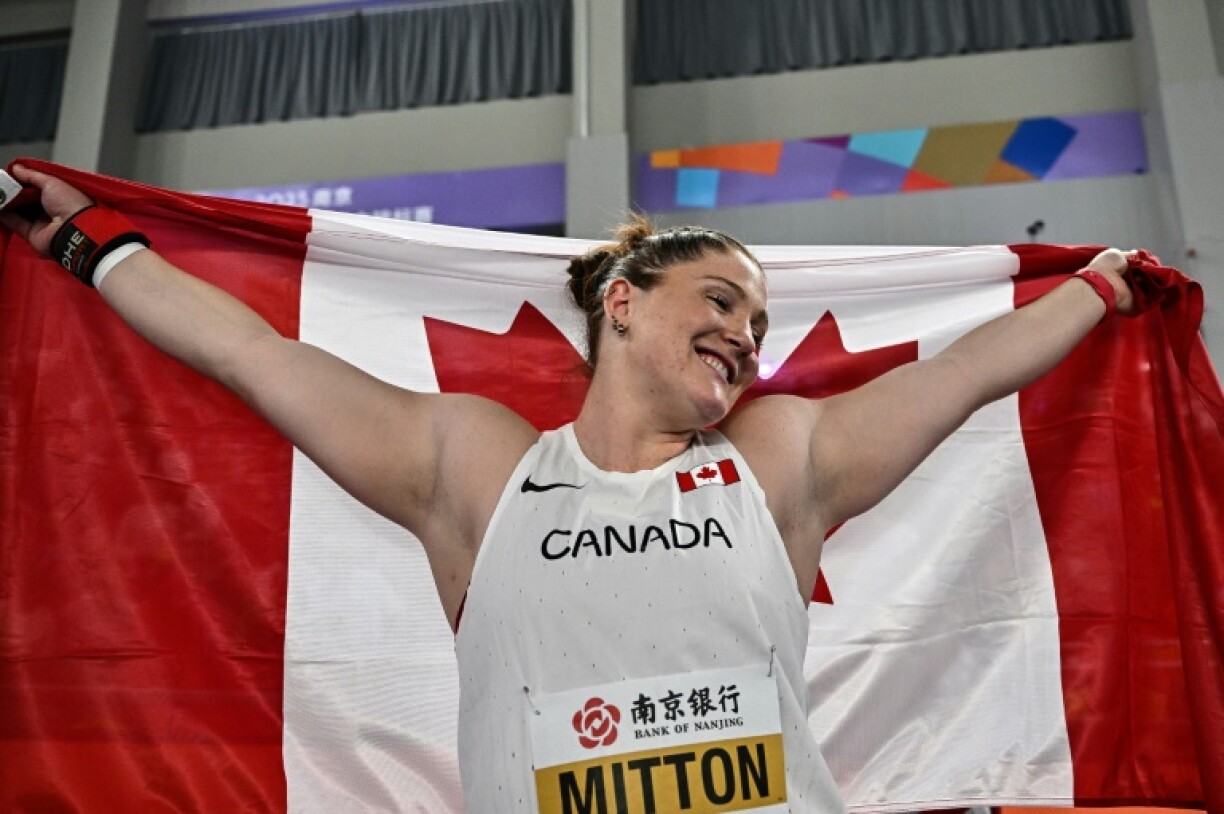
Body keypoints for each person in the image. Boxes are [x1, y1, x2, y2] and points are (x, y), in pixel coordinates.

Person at [2, 163, 1135, 812]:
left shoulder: (780, 464)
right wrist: (89, 245)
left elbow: (967, 370)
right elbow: (250, 354)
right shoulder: (475, 471)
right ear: (624, 301)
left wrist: (1099, 288)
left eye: (760, 321)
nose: (747, 335)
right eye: (721, 300)